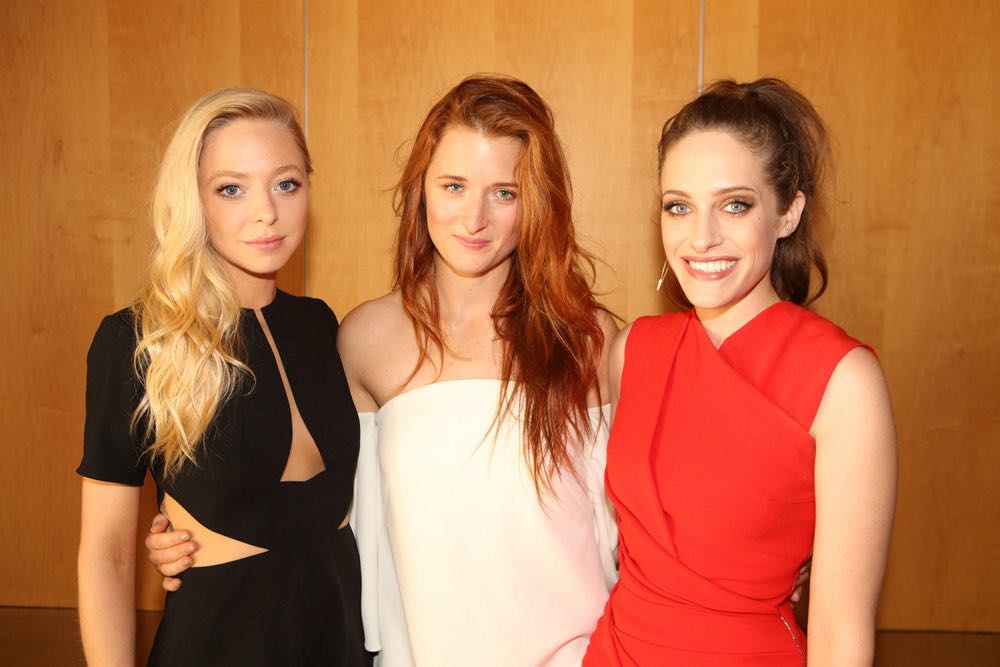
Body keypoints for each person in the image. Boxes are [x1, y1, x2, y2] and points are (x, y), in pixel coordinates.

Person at [145, 75, 620, 666]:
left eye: (505, 192)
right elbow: (332, 502)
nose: (474, 218)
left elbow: (639, 531)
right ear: (421, 188)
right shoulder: (364, 339)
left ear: (539, 200)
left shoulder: (595, 344)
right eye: (453, 185)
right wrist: (191, 530)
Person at [584, 78, 898, 666]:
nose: (701, 237)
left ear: (788, 214)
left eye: (735, 204)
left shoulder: (843, 381)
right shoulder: (633, 350)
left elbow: (840, 635)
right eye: (679, 206)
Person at [77, 88, 369, 666]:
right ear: (195, 201)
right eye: (231, 188)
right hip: (217, 644)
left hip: (341, 639)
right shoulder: (137, 341)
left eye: (286, 183)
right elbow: (106, 554)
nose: (267, 212)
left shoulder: (320, 326)